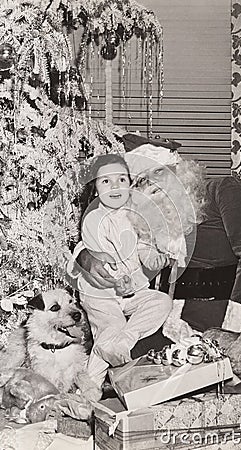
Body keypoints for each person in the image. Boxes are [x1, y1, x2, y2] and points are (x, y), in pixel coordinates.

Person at [72, 144, 241, 355]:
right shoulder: (140, 213)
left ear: (179, 168)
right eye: (142, 180)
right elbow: (104, 228)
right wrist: (84, 256)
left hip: (223, 317)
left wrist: (239, 325)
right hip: (164, 318)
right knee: (121, 364)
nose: (154, 182)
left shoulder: (222, 190)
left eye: (159, 170)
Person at [76, 153, 173, 390]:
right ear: (96, 189)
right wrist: (117, 280)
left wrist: (162, 253)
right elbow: (96, 255)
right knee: (113, 325)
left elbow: (147, 256)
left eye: (121, 179)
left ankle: (123, 342)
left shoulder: (138, 216)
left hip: (132, 293)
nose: (115, 186)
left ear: (130, 185)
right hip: (101, 293)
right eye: (105, 181)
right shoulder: (95, 219)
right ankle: (89, 387)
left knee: (161, 302)